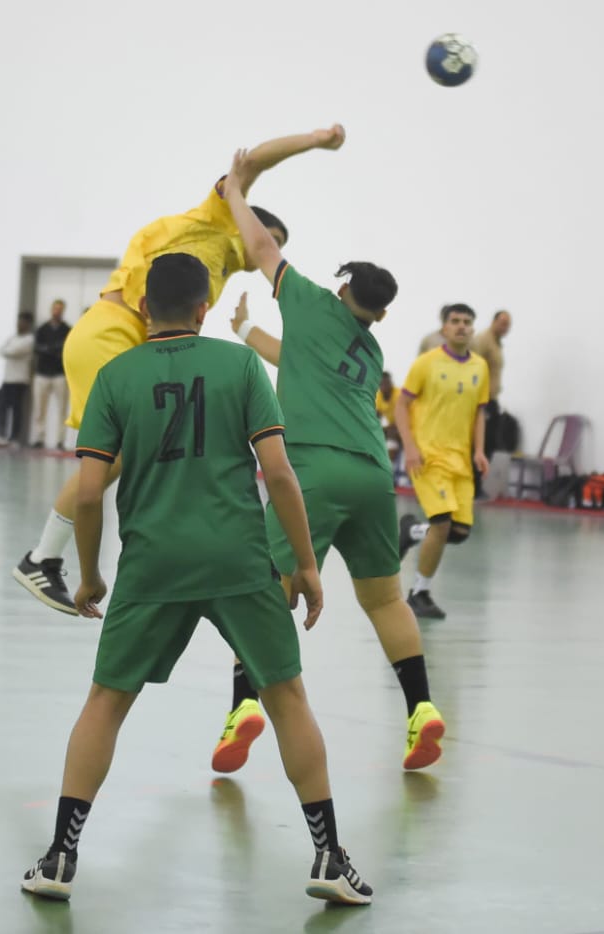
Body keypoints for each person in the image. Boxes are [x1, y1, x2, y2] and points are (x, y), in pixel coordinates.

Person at [21, 253, 372, 906]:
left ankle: (59, 858)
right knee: (286, 698)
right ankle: (329, 855)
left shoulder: (116, 377)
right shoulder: (240, 365)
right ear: (204, 309)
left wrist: (90, 575)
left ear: (144, 308)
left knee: (106, 702)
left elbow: (90, 493)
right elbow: (280, 474)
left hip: (151, 565)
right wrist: (304, 563)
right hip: (239, 560)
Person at [13, 124, 346, 613]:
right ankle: (42, 558)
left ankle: (93, 552)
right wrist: (316, 139)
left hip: (128, 340)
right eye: (267, 234)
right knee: (111, 456)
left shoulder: (221, 270)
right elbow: (252, 162)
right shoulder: (216, 217)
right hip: (110, 331)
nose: (263, 244)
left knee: (135, 449)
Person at [217, 156, 445, 776]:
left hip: (312, 471)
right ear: (382, 312)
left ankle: (243, 707)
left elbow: (262, 246)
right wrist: (248, 332)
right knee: (385, 599)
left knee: (267, 589)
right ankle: (421, 709)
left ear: (341, 288)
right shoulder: (369, 350)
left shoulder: (312, 300)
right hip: (373, 476)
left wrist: (235, 192)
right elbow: (299, 361)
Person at [394, 305, 490, 620]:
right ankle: (419, 593)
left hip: (461, 462)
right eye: (455, 321)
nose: (461, 326)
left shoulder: (480, 367)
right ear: (444, 328)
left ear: (473, 329)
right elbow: (401, 405)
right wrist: (410, 447)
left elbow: (479, 412)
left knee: (459, 532)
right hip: (428, 457)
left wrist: (479, 450)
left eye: (467, 322)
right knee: (442, 524)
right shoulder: (426, 363)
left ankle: (411, 531)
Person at [471, 310, 511, 498]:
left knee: (490, 444)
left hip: (492, 399)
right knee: (480, 443)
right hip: (481, 400)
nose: (505, 328)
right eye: (502, 323)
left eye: (508, 325)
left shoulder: (497, 344)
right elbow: (473, 367)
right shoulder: (483, 340)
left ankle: (477, 484)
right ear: (494, 321)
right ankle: (473, 485)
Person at [30, 300, 71, 449]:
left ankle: (61, 440)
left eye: (60, 309)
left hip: (59, 373)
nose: (57, 311)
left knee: (62, 408)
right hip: (42, 373)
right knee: (39, 408)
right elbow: (37, 347)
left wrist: (54, 350)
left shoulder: (67, 330)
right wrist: (49, 350)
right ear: (51, 310)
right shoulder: (42, 329)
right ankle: (39, 437)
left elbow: (67, 347)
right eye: (55, 309)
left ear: (63, 311)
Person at [0, 313, 35, 446]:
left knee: (16, 409)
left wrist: (7, 350)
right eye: (18, 321)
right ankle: (2, 435)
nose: (19, 324)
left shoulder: (29, 339)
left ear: (28, 324)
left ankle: (14, 437)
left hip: (19, 379)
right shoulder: (13, 337)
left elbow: (13, 352)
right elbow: (1, 350)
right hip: (8, 378)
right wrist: (7, 350)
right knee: (3, 407)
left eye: (22, 322)